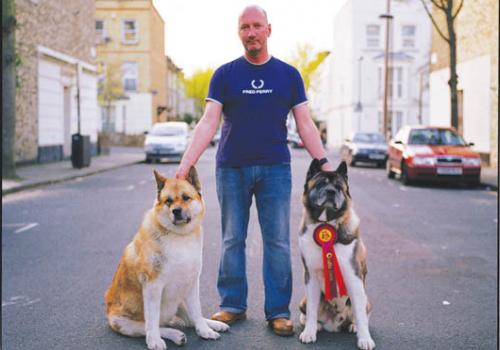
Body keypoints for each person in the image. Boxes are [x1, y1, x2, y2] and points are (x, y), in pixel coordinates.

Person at [175, 5, 332, 336]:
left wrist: (326, 163)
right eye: (245, 27)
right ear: (239, 33)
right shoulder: (225, 75)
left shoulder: (289, 75)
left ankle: (278, 311)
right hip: (231, 168)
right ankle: (232, 304)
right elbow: (208, 122)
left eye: (256, 26)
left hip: (276, 168)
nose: (251, 32)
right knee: (233, 238)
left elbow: (305, 124)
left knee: (277, 241)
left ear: (268, 30)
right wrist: (186, 163)